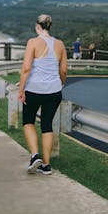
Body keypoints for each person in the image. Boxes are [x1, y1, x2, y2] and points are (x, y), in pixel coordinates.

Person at [18, 14, 67, 175]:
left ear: (37, 26)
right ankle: (46, 165)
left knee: (28, 121)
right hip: (54, 91)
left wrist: (21, 90)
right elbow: (63, 70)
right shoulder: (60, 44)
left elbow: (26, 68)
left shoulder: (32, 42)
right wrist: (60, 83)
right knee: (47, 125)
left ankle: (34, 156)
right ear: (50, 26)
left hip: (34, 90)